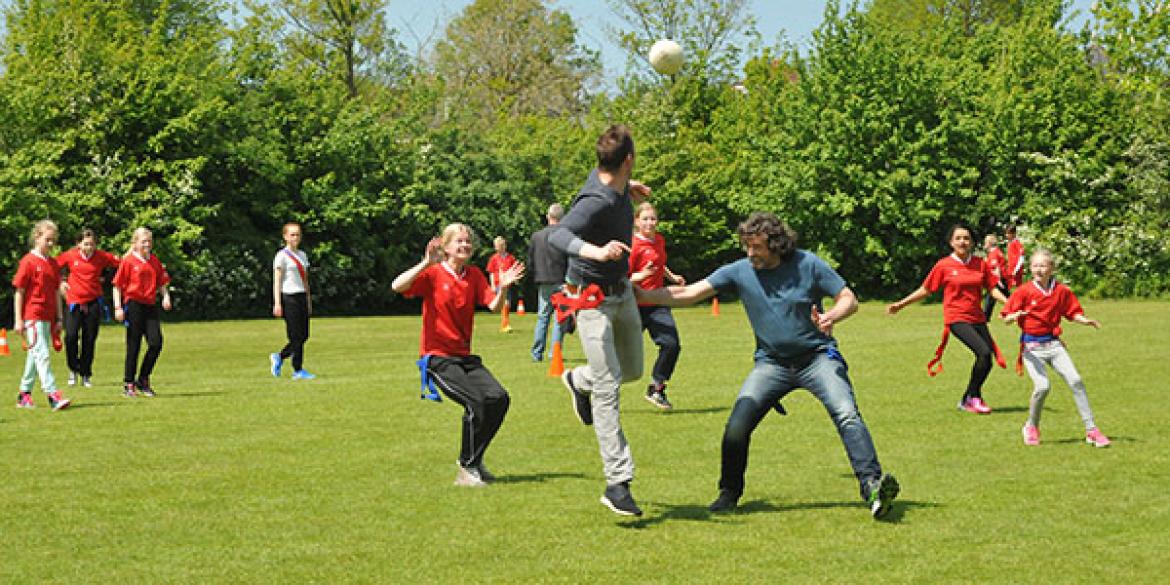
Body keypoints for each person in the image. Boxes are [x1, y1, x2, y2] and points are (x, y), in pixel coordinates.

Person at [637, 212, 900, 519]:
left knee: (846, 413)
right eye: (746, 246)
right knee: (737, 427)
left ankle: (872, 486)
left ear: (776, 244)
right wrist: (642, 295)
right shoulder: (740, 270)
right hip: (771, 363)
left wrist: (832, 317)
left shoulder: (808, 264)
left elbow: (848, 298)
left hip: (817, 358)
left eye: (757, 247)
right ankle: (729, 493)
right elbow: (689, 292)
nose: (750, 254)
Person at [548, 124, 652, 517]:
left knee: (632, 370)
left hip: (621, 291)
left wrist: (630, 187)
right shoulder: (595, 200)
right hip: (589, 301)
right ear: (628, 158)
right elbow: (556, 235)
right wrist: (594, 250)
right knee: (609, 388)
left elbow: (613, 187)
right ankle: (617, 483)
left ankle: (577, 380)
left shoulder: (615, 183)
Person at [392, 224, 525, 486]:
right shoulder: (433, 274)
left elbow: (494, 307)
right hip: (438, 358)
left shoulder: (474, 275)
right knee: (476, 402)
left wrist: (504, 287)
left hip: (465, 357)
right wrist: (425, 263)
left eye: (468, 242)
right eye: (459, 242)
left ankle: (474, 461)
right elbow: (397, 286)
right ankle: (466, 469)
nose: (465, 245)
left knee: (499, 399)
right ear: (446, 246)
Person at [888, 224, 1009, 414]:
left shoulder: (980, 264)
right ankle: (973, 397)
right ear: (951, 242)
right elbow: (926, 289)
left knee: (987, 361)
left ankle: (968, 398)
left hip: (977, 317)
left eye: (966, 238)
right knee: (983, 353)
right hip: (957, 317)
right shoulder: (944, 265)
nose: (963, 242)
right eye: (958, 238)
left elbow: (992, 289)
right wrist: (902, 304)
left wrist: (1009, 303)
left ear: (971, 242)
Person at [1002, 250, 1110, 448]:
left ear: (1052, 268)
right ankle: (1031, 426)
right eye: (1035, 266)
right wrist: (1013, 316)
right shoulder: (1024, 291)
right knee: (1042, 386)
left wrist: (1084, 320)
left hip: (1054, 345)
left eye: (1043, 266)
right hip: (1031, 348)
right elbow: (1006, 316)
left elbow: (1072, 312)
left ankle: (1091, 430)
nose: (1039, 269)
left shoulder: (1061, 291)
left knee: (1076, 381)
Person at [628, 201, 685, 410]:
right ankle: (594, 387)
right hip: (635, 305)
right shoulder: (633, 246)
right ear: (636, 221)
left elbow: (660, 263)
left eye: (653, 219)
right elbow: (622, 279)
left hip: (658, 303)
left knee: (671, 344)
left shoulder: (659, 240)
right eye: (645, 219)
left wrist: (672, 276)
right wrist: (641, 276)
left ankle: (657, 387)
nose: (650, 223)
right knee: (622, 355)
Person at [12, 219, 72, 411]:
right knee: (42, 355)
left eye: (53, 240)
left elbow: (56, 292)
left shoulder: (53, 264)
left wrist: (59, 318)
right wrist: (19, 320)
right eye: (47, 240)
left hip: (48, 316)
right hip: (33, 315)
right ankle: (52, 394)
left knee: (35, 355)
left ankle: (24, 394)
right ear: (37, 237)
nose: (51, 244)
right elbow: (19, 291)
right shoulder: (28, 262)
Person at [56, 229, 120, 388]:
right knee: (70, 337)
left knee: (89, 339)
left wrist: (107, 277)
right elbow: (52, 266)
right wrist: (61, 280)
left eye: (92, 244)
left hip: (93, 302)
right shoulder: (70, 255)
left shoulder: (101, 256)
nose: (89, 247)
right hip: (74, 302)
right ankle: (73, 369)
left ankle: (85, 373)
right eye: (86, 244)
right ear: (79, 244)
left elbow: (120, 264)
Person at [112, 227, 172, 397]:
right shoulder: (129, 261)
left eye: (149, 241)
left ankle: (143, 379)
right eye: (143, 241)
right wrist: (118, 307)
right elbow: (117, 286)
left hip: (150, 305)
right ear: (135, 243)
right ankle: (129, 383)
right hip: (134, 305)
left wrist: (166, 297)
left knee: (156, 342)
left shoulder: (154, 261)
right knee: (134, 345)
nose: (147, 244)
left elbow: (162, 282)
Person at [270, 222, 315, 380]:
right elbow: (277, 281)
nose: (296, 237)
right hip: (289, 297)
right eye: (292, 234)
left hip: (301, 296)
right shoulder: (281, 256)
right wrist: (277, 303)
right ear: (285, 237)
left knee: (304, 335)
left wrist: (308, 300)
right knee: (295, 336)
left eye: (298, 234)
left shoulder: (302, 255)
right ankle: (298, 369)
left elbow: (305, 281)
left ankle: (279, 357)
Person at [528, 203, 568, 362]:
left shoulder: (536, 236)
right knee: (559, 319)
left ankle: (537, 353)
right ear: (562, 218)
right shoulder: (565, 235)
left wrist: (535, 275)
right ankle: (554, 353)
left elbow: (530, 260)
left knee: (542, 317)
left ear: (548, 217)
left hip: (543, 280)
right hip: (561, 281)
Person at [486, 236, 518, 333]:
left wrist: (515, 279)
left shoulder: (510, 258)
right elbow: (491, 272)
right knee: (505, 303)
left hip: (508, 284)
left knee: (507, 304)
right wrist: (492, 285)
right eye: (497, 246)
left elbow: (514, 269)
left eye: (501, 245)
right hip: (498, 284)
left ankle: (505, 323)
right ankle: (505, 324)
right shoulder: (494, 258)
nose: (499, 248)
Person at [981, 233, 1008, 321]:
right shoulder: (998, 252)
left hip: (997, 279)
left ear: (989, 243)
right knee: (1003, 297)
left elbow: (996, 268)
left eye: (985, 242)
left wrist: (998, 281)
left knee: (990, 298)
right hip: (1002, 278)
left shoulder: (993, 254)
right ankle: (1014, 308)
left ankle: (985, 317)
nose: (984, 244)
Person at [1004, 225, 1026, 291]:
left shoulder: (1017, 243)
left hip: (1016, 272)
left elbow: (1022, 257)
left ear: (1014, 234)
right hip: (1010, 270)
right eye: (1006, 233)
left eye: (1008, 233)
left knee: (1018, 289)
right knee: (1011, 289)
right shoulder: (1010, 243)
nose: (1006, 235)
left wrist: (1016, 270)